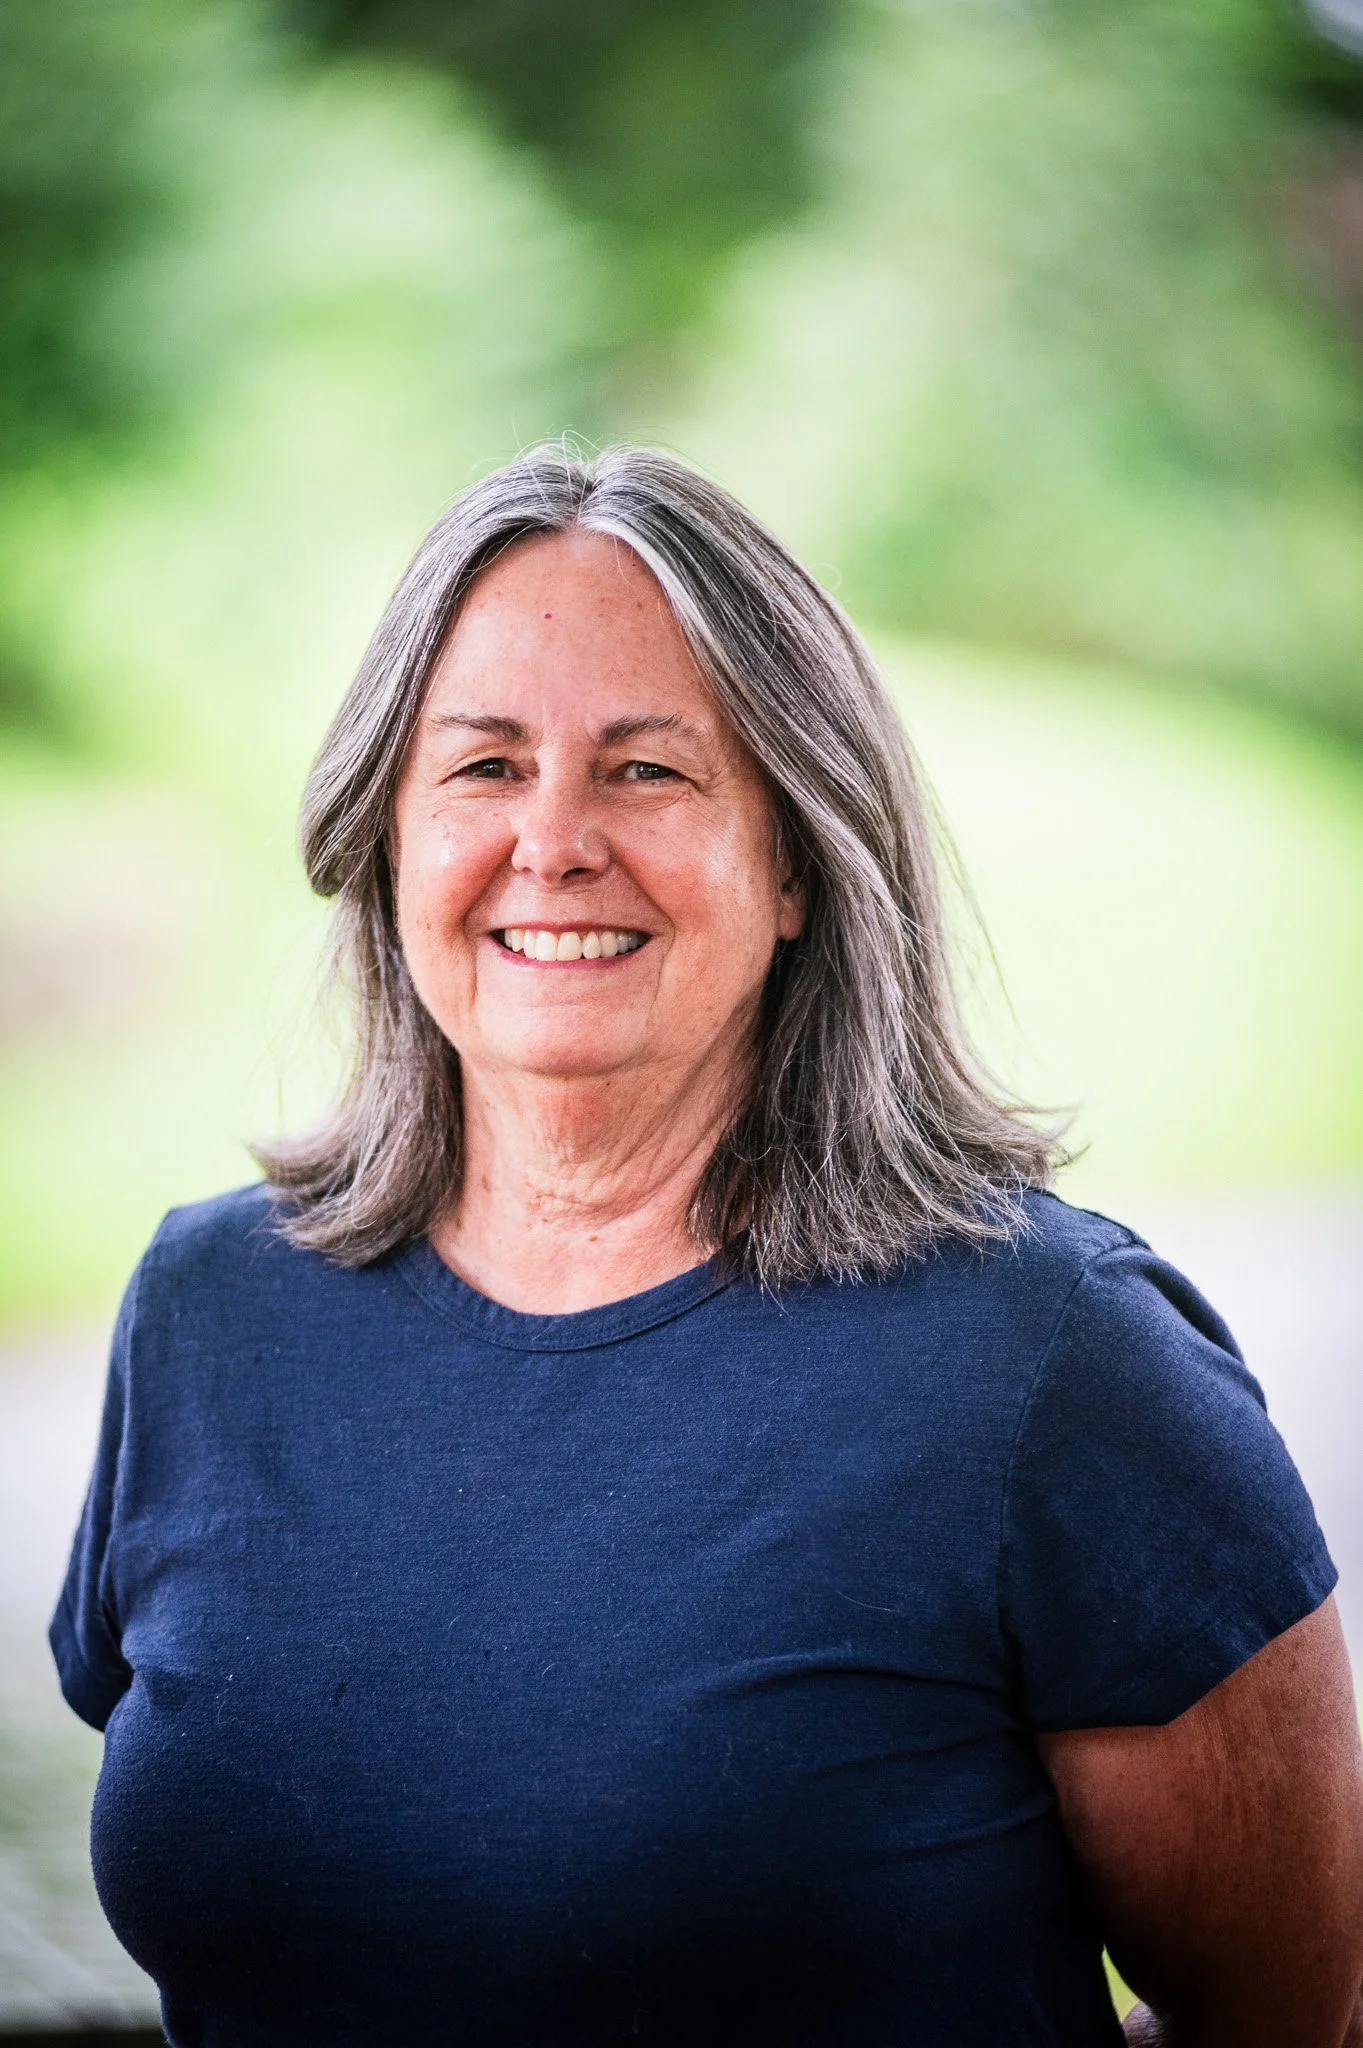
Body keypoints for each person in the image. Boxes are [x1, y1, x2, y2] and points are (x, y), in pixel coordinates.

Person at [53, 445, 1363, 2047]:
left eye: (646, 770)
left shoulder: (1054, 1362)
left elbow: (1291, 2007)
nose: (552, 840)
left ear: (799, 857)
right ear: (385, 836)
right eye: (479, 767)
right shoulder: (208, 1310)